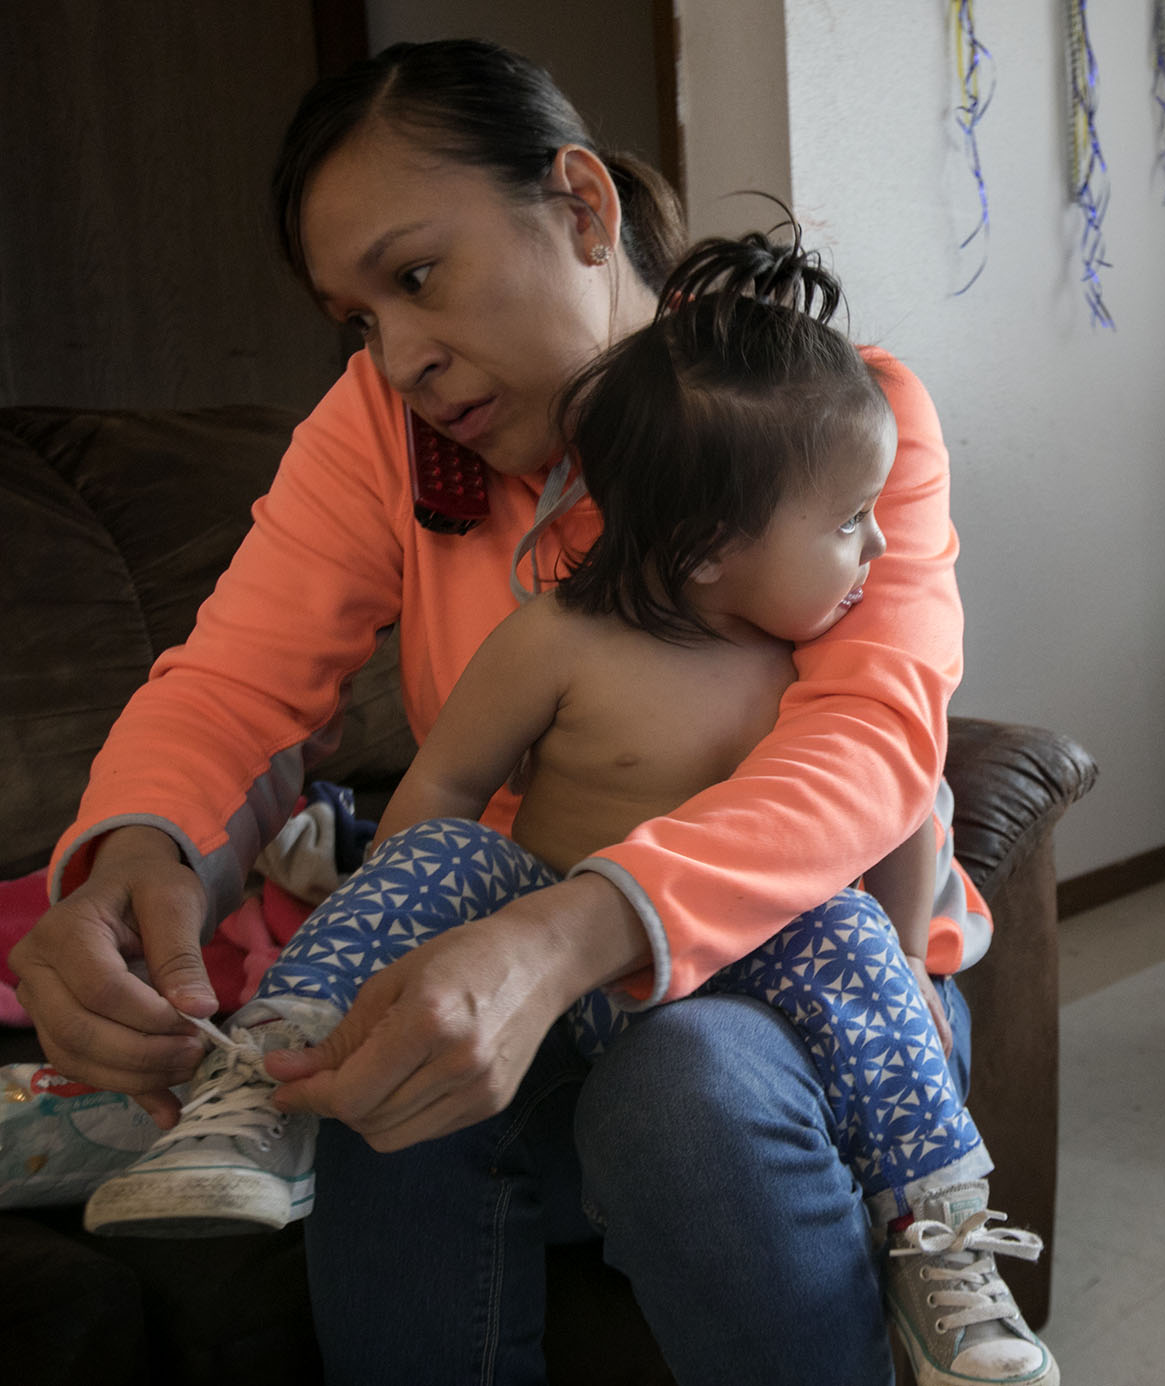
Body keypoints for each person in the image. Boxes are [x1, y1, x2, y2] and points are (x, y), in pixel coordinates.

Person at [6, 38, 992, 1385]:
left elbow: (873, 741)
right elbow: (236, 679)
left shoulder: (833, 419)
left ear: (583, 207)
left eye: (418, 276)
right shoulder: (385, 435)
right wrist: (135, 858)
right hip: (520, 982)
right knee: (390, 1060)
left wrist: (575, 927)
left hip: (809, 977)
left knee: (684, 1087)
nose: (399, 354)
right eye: (357, 319)